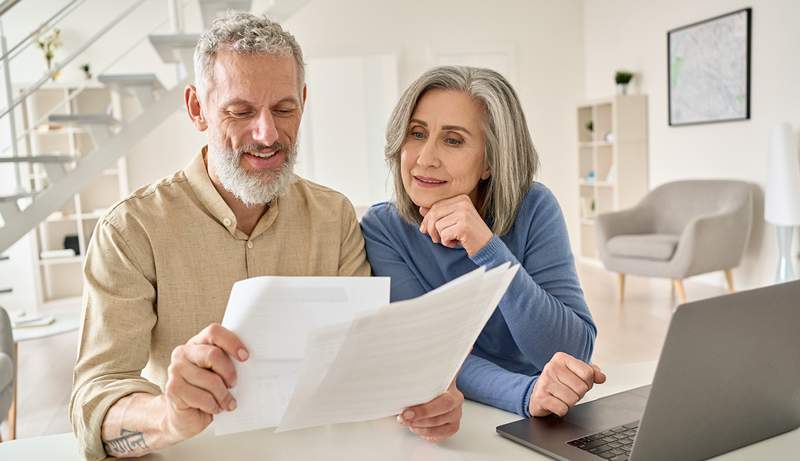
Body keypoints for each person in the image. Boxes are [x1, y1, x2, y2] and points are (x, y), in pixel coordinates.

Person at [68, 13, 456, 461]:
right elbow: (94, 403)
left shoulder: (335, 217)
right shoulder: (131, 231)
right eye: (241, 111)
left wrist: (426, 393)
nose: (267, 134)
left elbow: (367, 361)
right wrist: (167, 416)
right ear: (197, 109)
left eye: (284, 109)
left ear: (304, 102)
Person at [360, 66, 606, 430]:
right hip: (457, 413)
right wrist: (526, 392)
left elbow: (573, 350)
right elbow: (433, 353)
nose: (425, 157)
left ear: (490, 160)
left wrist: (489, 249)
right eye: (416, 134)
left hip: (545, 415)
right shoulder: (384, 228)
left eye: (453, 140)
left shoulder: (534, 206)